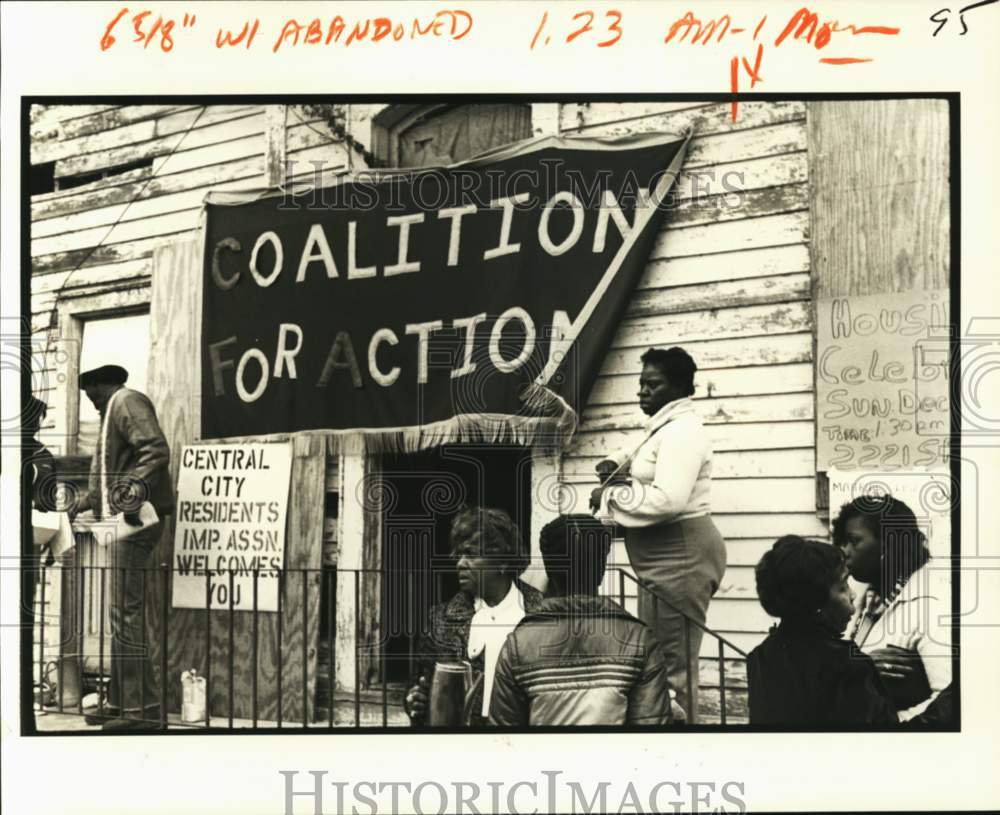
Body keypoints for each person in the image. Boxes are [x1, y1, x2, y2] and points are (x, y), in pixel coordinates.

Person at [590, 346, 726, 723]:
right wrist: (617, 463)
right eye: (641, 384)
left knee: (673, 670)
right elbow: (645, 458)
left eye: (653, 384)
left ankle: (679, 752)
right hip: (663, 561)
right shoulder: (665, 426)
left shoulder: (683, 432)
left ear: (679, 387)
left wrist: (610, 496)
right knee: (661, 664)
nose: (642, 392)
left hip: (680, 558)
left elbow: (668, 500)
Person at [489, 514, 675, 726]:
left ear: (549, 568)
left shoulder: (518, 645)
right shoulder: (639, 640)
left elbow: (503, 739)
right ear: (602, 570)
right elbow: (651, 739)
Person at [72, 364, 174, 731]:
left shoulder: (126, 400)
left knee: (126, 616)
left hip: (134, 521)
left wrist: (126, 493)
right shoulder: (115, 408)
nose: (91, 401)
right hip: (123, 519)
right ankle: (120, 703)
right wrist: (86, 501)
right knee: (121, 616)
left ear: (104, 384)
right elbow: (118, 467)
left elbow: (155, 451)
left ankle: (143, 710)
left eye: (91, 393)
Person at [404, 506, 544, 726]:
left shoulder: (539, 614)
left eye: (470, 554)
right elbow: (420, 686)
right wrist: (414, 700)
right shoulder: (440, 620)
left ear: (502, 561)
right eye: (459, 555)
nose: (460, 563)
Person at [747, 536, 897, 725]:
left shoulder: (760, 658)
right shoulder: (848, 665)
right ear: (815, 602)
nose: (853, 594)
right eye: (843, 586)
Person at [833, 494, 952, 722]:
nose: (844, 551)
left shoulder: (932, 606)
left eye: (853, 541)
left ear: (889, 543)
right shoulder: (869, 598)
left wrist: (887, 726)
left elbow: (950, 701)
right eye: (842, 542)